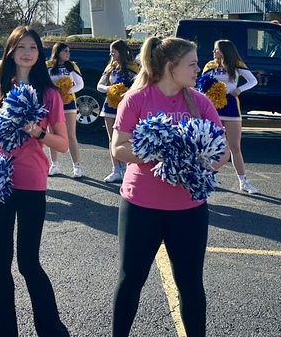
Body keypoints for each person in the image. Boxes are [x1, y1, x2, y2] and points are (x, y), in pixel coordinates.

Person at [109, 36, 226, 337]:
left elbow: (222, 150)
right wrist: (158, 152)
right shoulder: (136, 100)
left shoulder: (199, 101)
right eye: (192, 64)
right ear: (171, 67)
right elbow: (118, 148)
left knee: (190, 283)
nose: (198, 69)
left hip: (188, 209)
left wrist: (197, 162)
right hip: (141, 206)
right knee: (130, 279)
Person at [0, 27, 71, 337]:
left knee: (28, 261)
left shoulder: (49, 94)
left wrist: (38, 133)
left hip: (32, 181)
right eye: (21, 46)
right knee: (0, 257)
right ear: (10, 52)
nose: (28, 52)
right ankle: (4, 328)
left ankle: (51, 327)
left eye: (33, 47)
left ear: (40, 53)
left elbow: (62, 144)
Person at [202, 39, 259, 193]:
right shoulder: (209, 66)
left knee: (235, 146)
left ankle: (243, 181)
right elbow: (202, 85)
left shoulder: (236, 64)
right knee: (211, 145)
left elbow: (253, 80)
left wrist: (239, 90)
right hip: (213, 108)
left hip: (232, 107)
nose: (213, 52)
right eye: (214, 49)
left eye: (217, 49)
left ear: (225, 50)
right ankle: (207, 176)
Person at [98, 40, 139, 183]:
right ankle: (116, 170)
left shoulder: (133, 68)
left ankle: (128, 168)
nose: (110, 54)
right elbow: (99, 86)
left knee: (127, 139)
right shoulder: (110, 67)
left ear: (120, 52)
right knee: (112, 138)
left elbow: (138, 86)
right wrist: (112, 89)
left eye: (113, 51)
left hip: (127, 107)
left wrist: (126, 92)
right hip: (110, 105)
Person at [46, 43, 84, 178]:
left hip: (68, 103)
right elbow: (44, 83)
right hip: (52, 104)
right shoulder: (48, 66)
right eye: (65, 51)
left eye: (69, 51)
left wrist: (67, 90)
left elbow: (80, 84)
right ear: (57, 52)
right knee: (52, 133)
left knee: (71, 135)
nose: (68, 54)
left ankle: (77, 166)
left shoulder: (72, 66)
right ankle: (54, 165)